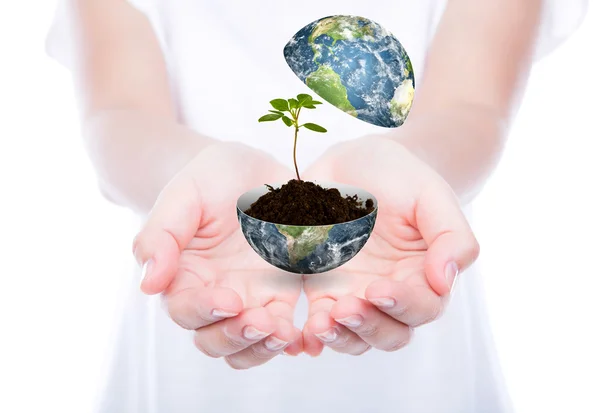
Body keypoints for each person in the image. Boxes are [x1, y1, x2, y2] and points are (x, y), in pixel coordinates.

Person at [46, 0, 587, 412]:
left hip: (404, 290)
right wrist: (189, 183)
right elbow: (117, 114)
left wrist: (405, 167)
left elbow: (473, 108)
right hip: (200, 283)